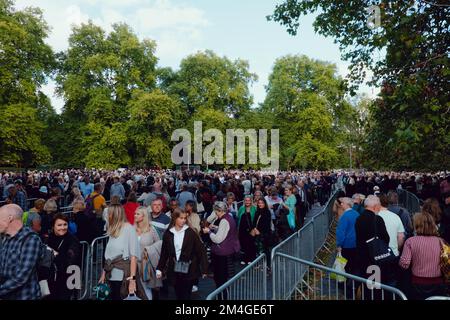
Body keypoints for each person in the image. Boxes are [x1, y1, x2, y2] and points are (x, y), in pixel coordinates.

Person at [156, 208, 208, 300]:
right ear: (175, 218)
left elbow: (201, 250)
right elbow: (164, 253)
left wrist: (204, 269)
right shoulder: (168, 233)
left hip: (190, 268)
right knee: (178, 294)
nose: (183, 220)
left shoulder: (191, 232)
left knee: (186, 295)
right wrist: (159, 268)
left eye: (184, 218)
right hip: (175, 268)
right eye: (181, 218)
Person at [99, 204, 145, 300]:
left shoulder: (129, 228)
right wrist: (103, 273)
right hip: (110, 274)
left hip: (122, 275)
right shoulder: (112, 229)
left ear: (116, 214)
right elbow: (109, 255)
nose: (107, 216)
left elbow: (133, 256)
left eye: (109, 213)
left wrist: (132, 280)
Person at [399, 212, 447, 299]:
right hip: (438, 283)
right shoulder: (441, 241)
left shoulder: (410, 241)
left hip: (418, 284)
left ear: (416, 225)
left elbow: (404, 264)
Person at [0, 204, 42, 300]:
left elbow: (21, 276)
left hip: (25, 296)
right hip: (7, 295)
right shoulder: (5, 237)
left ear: (10, 218)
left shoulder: (30, 238)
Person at [202, 201, 240, 299]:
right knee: (222, 279)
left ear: (218, 211)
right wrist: (215, 227)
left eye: (215, 211)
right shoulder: (229, 217)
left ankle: (222, 298)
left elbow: (218, 239)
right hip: (227, 251)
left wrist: (209, 231)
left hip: (222, 253)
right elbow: (225, 231)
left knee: (221, 279)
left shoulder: (224, 220)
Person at [355, 195, 390, 279]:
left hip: (362, 257)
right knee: (376, 285)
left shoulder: (359, 218)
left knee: (366, 283)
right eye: (379, 206)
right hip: (375, 257)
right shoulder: (378, 219)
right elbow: (386, 238)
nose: (379, 208)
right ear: (375, 206)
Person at [47, 213, 81, 300]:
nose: (63, 227)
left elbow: (70, 262)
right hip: (52, 278)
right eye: (59, 225)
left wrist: (55, 255)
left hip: (69, 278)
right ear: (53, 226)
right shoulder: (49, 238)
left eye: (65, 224)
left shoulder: (72, 240)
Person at [134, 207, 162, 300]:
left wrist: (149, 250)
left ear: (144, 216)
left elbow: (159, 244)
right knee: (134, 289)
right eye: (135, 213)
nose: (135, 215)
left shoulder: (151, 229)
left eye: (138, 214)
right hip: (133, 264)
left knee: (146, 289)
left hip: (146, 264)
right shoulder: (131, 229)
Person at [335, 197, 360, 276]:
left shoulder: (344, 216)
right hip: (356, 243)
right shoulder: (356, 214)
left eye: (343, 202)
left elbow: (341, 232)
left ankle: (347, 284)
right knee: (354, 265)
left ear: (348, 204)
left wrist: (339, 244)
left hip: (347, 245)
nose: (341, 204)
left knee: (346, 266)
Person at [253, 198, 273, 271]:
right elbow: (254, 222)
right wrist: (255, 228)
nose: (260, 204)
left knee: (266, 251)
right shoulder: (257, 212)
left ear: (265, 204)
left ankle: (268, 267)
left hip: (265, 235)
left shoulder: (267, 212)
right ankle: (260, 265)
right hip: (257, 235)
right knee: (258, 250)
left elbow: (267, 225)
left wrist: (260, 232)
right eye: (259, 203)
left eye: (262, 203)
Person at [237, 195, 257, 265]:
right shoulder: (241, 208)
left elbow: (256, 220)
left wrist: (254, 229)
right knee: (243, 244)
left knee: (251, 244)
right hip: (242, 229)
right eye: (246, 200)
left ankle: (250, 259)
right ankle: (244, 258)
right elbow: (238, 218)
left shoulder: (254, 208)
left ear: (251, 201)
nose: (247, 202)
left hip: (251, 229)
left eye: (249, 200)